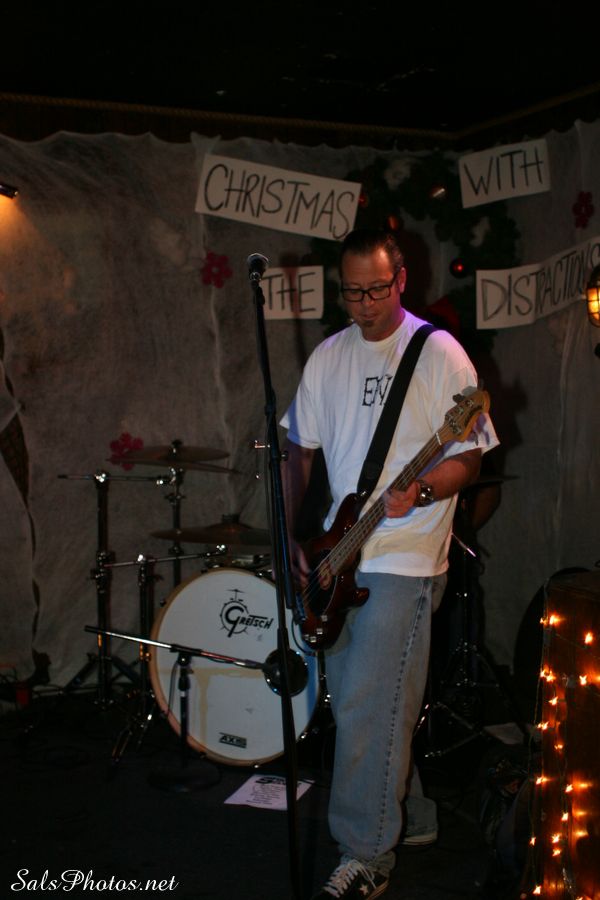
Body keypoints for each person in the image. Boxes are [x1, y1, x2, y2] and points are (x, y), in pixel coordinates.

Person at [280, 228, 499, 899]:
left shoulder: (440, 354)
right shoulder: (328, 357)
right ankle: (414, 815)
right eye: (352, 292)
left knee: (368, 704)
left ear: (401, 279)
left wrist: (423, 490)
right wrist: (292, 533)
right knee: (365, 702)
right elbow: (299, 450)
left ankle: (366, 856)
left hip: (406, 557)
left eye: (377, 289)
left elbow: (471, 456)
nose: (365, 304)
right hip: (342, 553)